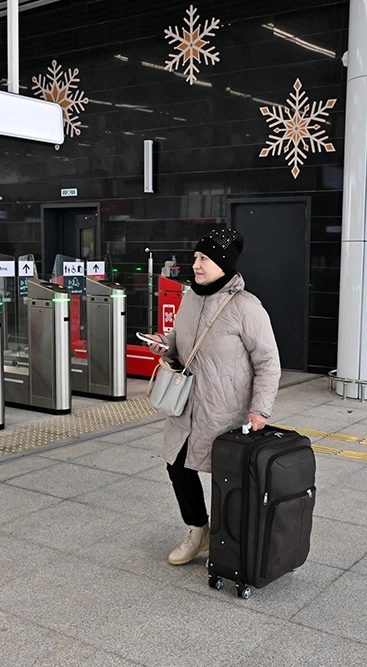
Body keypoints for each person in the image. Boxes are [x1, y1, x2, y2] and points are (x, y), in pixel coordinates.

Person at [142, 229, 281, 565]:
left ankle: (229, 540)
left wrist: (260, 409)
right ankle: (197, 530)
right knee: (177, 466)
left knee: (226, 477)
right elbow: (181, 337)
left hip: (225, 411)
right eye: (196, 257)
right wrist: (165, 343)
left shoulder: (247, 308)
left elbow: (268, 363)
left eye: (203, 258)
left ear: (223, 263)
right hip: (186, 403)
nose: (196, 264)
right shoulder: (191, 296)